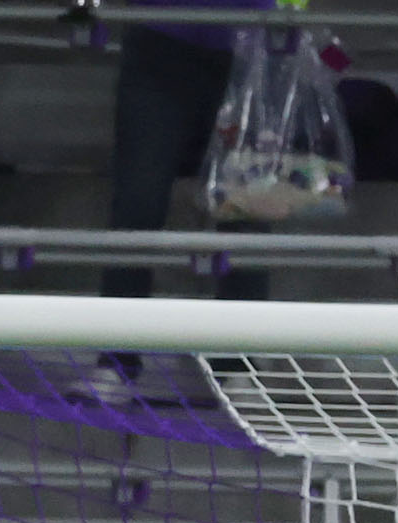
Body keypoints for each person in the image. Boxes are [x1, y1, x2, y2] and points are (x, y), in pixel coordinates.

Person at [82, 0, 278, 399]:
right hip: (161, 37)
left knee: (247, 208)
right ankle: (117, 363)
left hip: (253, 41)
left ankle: (238, 364)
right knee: (138, 204)